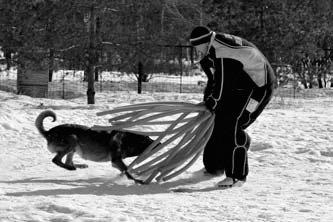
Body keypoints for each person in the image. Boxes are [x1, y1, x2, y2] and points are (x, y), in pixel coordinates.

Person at [189, 26, 276, 188]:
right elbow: (214, 81)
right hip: (242, 86)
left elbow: (223, 85)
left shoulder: (223, 52)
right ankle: (215, 167)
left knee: (233, 125)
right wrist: (209, 102)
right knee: (216, 120)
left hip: (259, 88)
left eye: (196, 47)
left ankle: (237, 175)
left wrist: (212, 102)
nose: (196, 50)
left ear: (202, 42)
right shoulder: (211, 49)